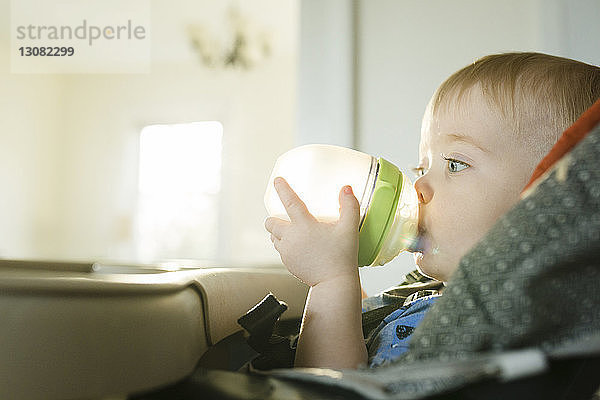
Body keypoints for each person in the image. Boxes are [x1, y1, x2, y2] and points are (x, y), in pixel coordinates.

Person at [264, 52, 600, 369]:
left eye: (454, 164)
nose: (419, 187)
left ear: (544, 203)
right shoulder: (442, 298)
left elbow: (333, 388)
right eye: (421, 167)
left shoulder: (487, 327)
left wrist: (330, 282)